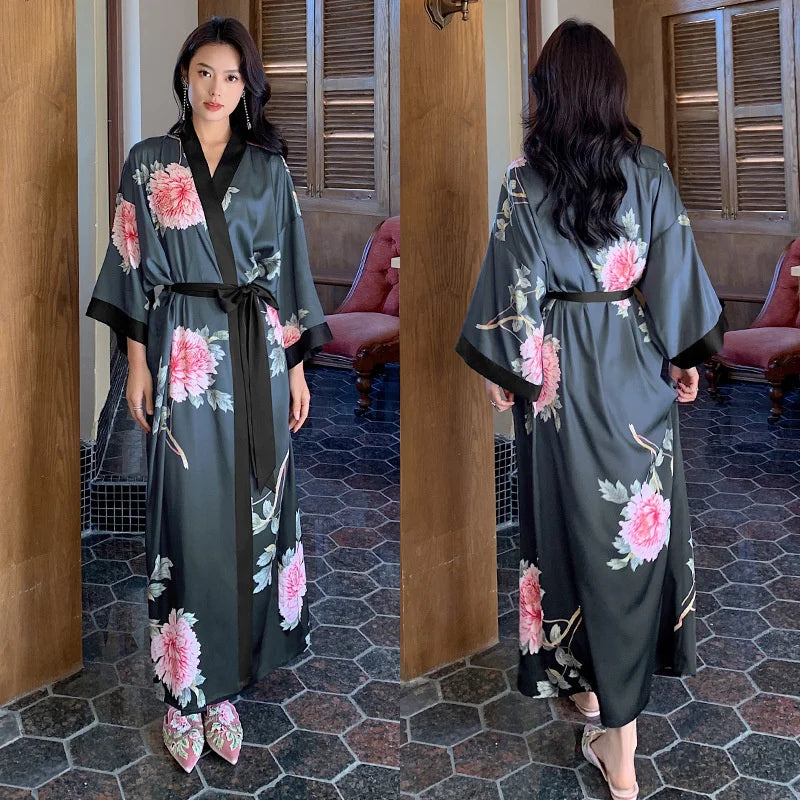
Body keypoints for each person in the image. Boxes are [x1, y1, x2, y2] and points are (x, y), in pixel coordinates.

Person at [456, 21, 724, 800]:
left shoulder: (524, 180)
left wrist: (507, 372)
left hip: (559, 379)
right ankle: (609, 719)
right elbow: (675, 274)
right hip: (634, 362)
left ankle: (617, 739)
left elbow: (513, 286)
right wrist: (682, 358)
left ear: (549, 91)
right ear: (609, 90)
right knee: (633, 541)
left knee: (569, 533)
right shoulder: (649, 170)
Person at [87, 17, 331, 772]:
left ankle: (223, 687)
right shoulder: (148, 162)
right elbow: (131, 266)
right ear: (184, 78)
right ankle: (182, 690)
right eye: (204, 73)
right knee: (187, 520)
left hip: (257, 357)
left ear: (247, 86)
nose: (216, 89)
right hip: (184, 351)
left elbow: (287, 271)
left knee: (250, 517)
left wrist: (295, 368)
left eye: (231, 76)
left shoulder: (268, 168)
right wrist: (137, 364)